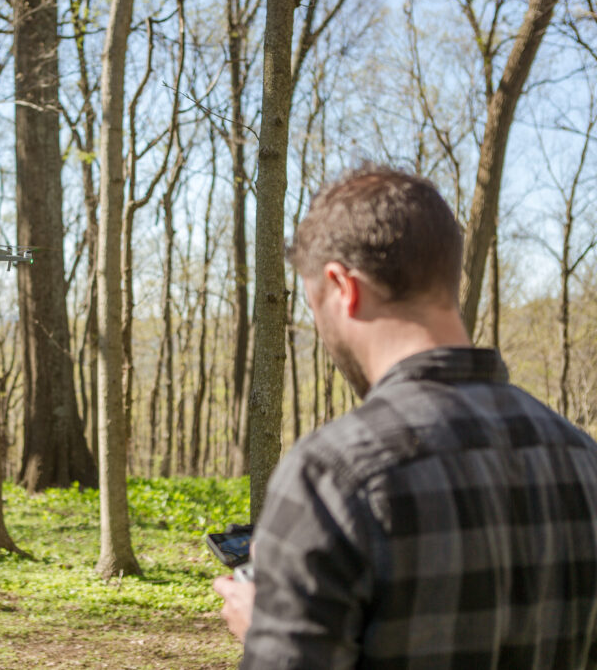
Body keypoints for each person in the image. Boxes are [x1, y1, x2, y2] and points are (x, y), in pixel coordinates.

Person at [214, 166, 597, 668]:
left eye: (315, 306)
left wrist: (265, 631)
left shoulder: (331, 475)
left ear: (341, 286)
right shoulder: (582, 457)